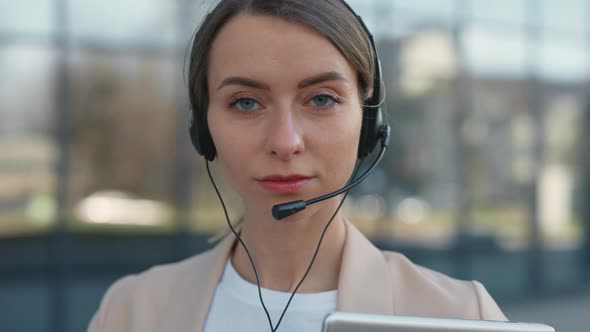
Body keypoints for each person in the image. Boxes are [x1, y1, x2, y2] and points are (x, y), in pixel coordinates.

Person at [87, 1, 506, 331]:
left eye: (321, 99)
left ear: (369, 122)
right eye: (246, 102)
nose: (285, 142)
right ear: (204, 129)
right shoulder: (129, 313)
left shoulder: (462, 317)